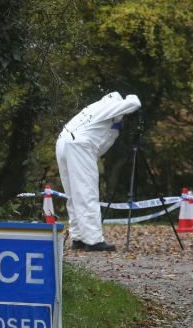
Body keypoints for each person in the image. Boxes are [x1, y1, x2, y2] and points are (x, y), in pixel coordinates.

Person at [55, 92, 140, 252]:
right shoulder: (108, 106)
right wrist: (131, 98)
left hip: (64, 142)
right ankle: (93, 240)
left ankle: (79, 237)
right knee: (87, 193)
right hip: (80, 145)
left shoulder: (93, 109)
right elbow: (135, 103)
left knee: (74, 195)